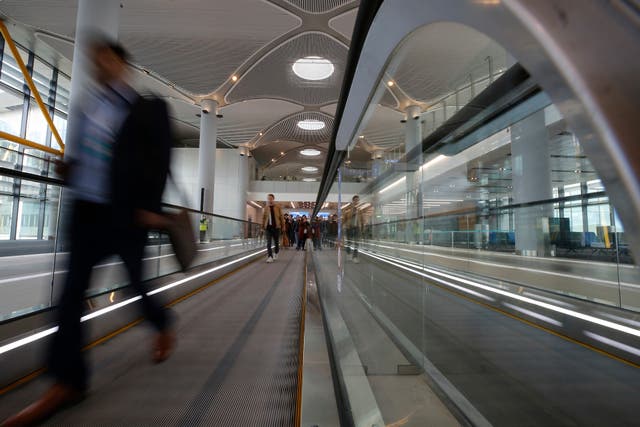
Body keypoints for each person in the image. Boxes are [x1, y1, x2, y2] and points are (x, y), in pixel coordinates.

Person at [2, 37, 176, 427]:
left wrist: (149, 207)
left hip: (126, 215)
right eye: (96, 62)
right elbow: (77, 156)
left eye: (108, 60)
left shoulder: (147, 109)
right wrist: (68, 167)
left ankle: (162, 323)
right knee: (69, 296)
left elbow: (159, 159)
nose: (102, 67)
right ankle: (68, 382)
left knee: (135, 285)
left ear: (123, 64)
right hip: (85, 212)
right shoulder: (85, 107)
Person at [262, 193, 284, 263]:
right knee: (268, 243)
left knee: (276, 242)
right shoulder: (266, 208)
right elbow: (264, 218)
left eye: (270, 198)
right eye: (268, 199)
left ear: (273, 199)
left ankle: (276, 252)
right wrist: (262, 227)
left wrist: (283, 226)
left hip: (276, 227)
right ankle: (270, 257)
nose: (269, 200)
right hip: (268, 228)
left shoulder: (278, 207)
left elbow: (281, 217)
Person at [343, 195, 365, 263]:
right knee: (349, 242)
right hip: (349, 227)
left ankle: (355, 257)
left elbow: (362, 219)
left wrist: (362, 227)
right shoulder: (348, 208)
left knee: (356, 243)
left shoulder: (360, 210)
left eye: (358, 200)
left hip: (357, 227)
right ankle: (349, 254)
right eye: (355, 200)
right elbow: (345, 218)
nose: (356, 201)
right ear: (353, 201)